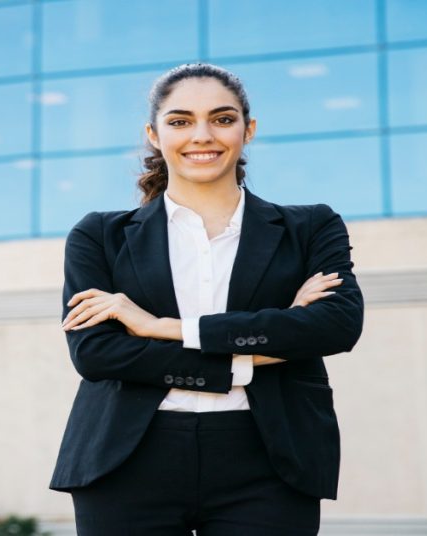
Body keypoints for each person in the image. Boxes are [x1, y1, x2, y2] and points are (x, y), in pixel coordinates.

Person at [49, 63, 365, 535]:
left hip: (269, 461)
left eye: (222, 118)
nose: (202, 135)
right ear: (154, 135)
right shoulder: (99, 235)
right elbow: (98, 353)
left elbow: (336, 326)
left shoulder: (311, 227)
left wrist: (164, 327)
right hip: (127, 461)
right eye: (180, 121)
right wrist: (264, 344)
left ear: (248, 129)